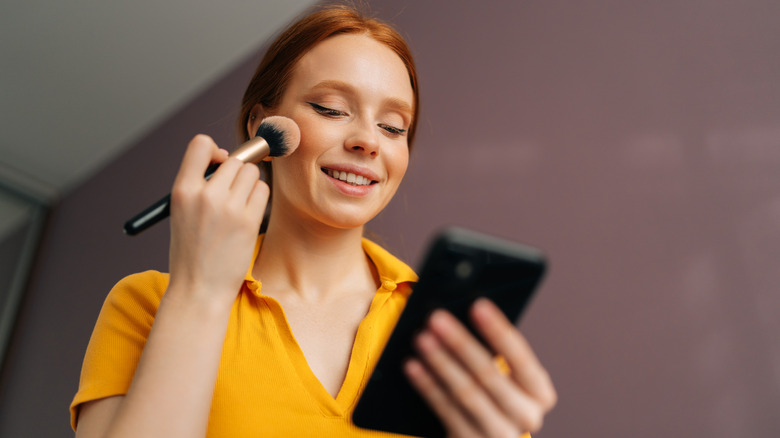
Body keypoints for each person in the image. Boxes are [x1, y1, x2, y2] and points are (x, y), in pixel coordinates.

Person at [70, 4, 556, 437]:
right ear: (262, 126)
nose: (369, 141)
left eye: (393, 127)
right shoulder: (148, 305)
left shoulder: (448, 335)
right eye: (332, 109)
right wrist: (201, 294)